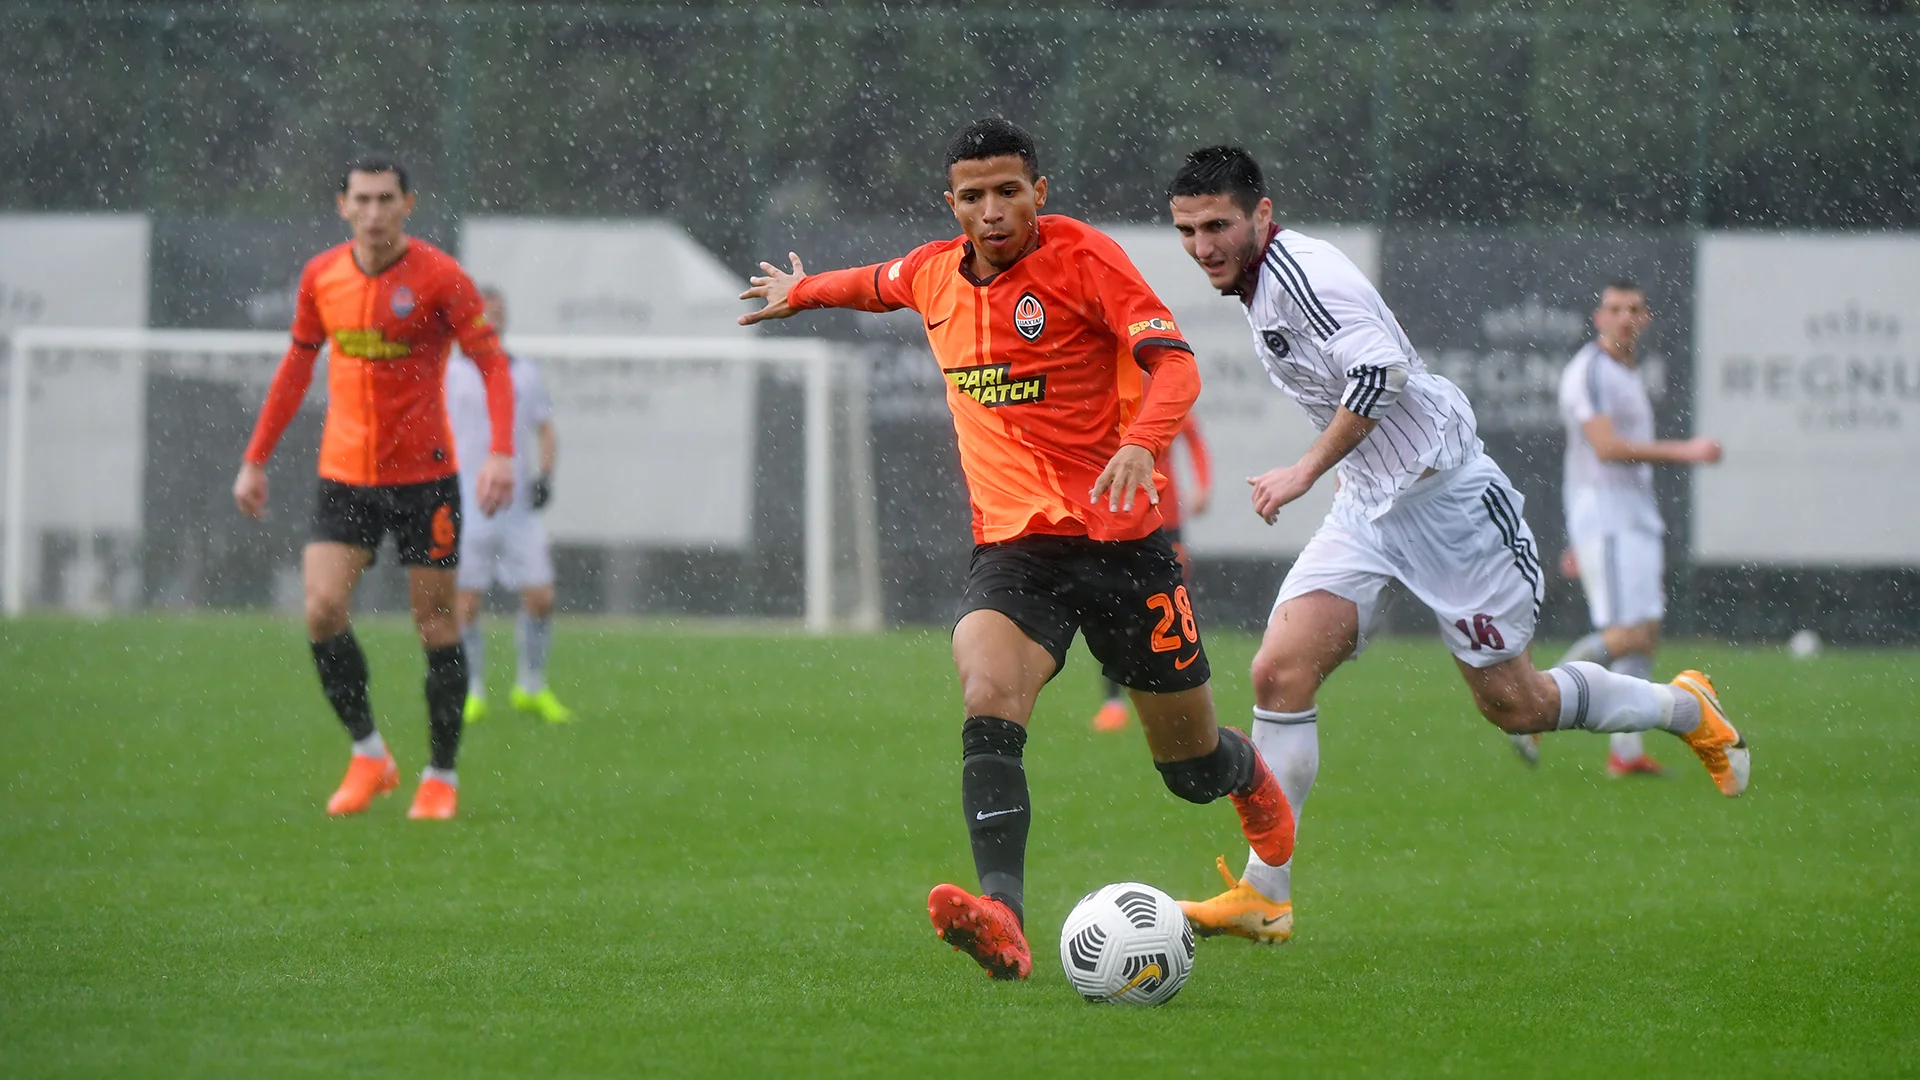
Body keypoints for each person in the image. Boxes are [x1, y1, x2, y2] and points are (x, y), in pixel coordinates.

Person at [737, 118, 1294, 981]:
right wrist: (802, 291)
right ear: (952, 204)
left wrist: (1141, 444)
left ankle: (1248, 777)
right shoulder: (932, 273)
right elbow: (873, 284)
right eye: (973, 196)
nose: (991, 211)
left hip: (1124, 544)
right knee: (987, 693)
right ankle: (1003, 914)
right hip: (1016, 551)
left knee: (1190, 770)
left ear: (1039, 193)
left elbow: (1176, 365)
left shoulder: (1084, 257)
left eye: (1007, 192)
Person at [1163, 146, 1748, 946]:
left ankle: (1684, 707)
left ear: (1262, 215)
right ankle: (1267, 893)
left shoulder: (1302, 277)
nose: (1203, 246)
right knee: (1279, 672)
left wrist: (1304, 469)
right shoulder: (1258, 282)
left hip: (1452, 510)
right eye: (1188, 231)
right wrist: (1348, 474)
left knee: (1516, 705)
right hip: (1370, 508)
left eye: (1218, 226)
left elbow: (1382, 373)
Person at [233, 156, 515, 822]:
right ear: (342, 206)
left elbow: (491, 365)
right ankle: (369, 755)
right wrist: (255, 458)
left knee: (435, 623)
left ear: (408, 204)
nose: (374, 212)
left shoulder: (440, 276)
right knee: (322, 609)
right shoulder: (321, 276)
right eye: (361, 199)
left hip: (426, 479)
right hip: (346, 477)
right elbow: (297, 366)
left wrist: (501, 453)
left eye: (387, 198)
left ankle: (440, 775)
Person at [1509, 281, 1722, 774]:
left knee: (1644, 634)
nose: (1624, 317)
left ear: (1645, 319)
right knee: (1625, 634)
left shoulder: (1627, 370)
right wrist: (1685, 451)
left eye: (1634, 309)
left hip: (1632, 517)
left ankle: (1626, 753)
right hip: (1606, 519)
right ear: (1598, 317)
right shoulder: (1591, 371)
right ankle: (1533, 704)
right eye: (1614, 309)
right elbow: (1605, 448)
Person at [447, 287, 574, 726]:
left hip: (516, 507)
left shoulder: (524, 372)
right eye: (485, 312)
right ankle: (472, 690)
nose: (493, 319)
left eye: (499, 312)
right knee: (465, 602)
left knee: (541, 596)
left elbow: (545, 428)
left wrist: (545, 477)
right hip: (468, 504)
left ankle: (530, 687)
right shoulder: (452, 372)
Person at [1090, 414, 1211, 732]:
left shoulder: (1161, 394)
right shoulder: (1110, 393)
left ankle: (1180, 692)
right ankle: (1114, 701)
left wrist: (1203, 485)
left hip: (1164, 517)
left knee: (1174, 605)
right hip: (1118, 515)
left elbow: (1195, 440)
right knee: (1113, 607)